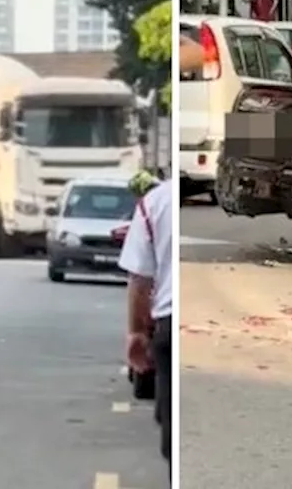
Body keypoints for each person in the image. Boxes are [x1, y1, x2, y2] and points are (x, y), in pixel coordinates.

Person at [120, 177, 173, 476]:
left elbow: (139, 281)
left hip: (168, 324)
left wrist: (136, 332)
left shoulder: (154, 202)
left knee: (173, 433)